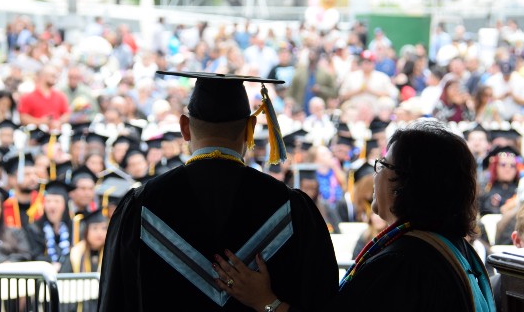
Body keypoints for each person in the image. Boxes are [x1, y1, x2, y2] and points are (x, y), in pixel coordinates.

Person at [98, 71, 338, 312]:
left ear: (184, 128)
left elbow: (115, 301)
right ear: (250, 128)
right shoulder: (290, 207)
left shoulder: (141, 206)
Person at [213, 120, 495, 312]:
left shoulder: (404, 263)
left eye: (383, 164)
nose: (375, 174)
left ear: (405, 184)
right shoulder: (454, 248)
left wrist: (266, 302)